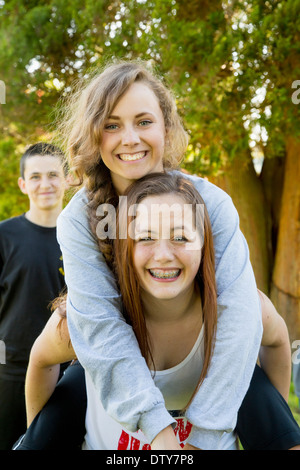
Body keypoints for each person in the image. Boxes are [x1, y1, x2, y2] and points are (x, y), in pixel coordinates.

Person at [55, 59, 264, 450]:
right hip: (110, 365)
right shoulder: (78, 221)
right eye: (112, 125)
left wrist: (203, 436)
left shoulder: (211, 204)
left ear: (166, 128)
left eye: (144, 121)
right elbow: (101, 329)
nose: (130, 138)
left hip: (205, 362)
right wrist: (159, 432)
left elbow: (241, 320)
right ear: (94, 136)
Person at [22, 172, 300, 450]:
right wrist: (39, 433)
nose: (164, 254)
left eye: (180, 237)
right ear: (124, 249)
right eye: (146, 238)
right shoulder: (89, 321)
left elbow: (276, 342)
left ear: (204, 245)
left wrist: (271, 417)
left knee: (250, 375)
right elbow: (41, 360)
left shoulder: (240, 312)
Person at [0, 142, 67, 449]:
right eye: (36, 176)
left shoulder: (85, 238)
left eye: (53, 174)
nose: (45, 184)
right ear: (23, 184)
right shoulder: (4, 236)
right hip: (11, 373)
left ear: (67, 179)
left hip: (71, 373)